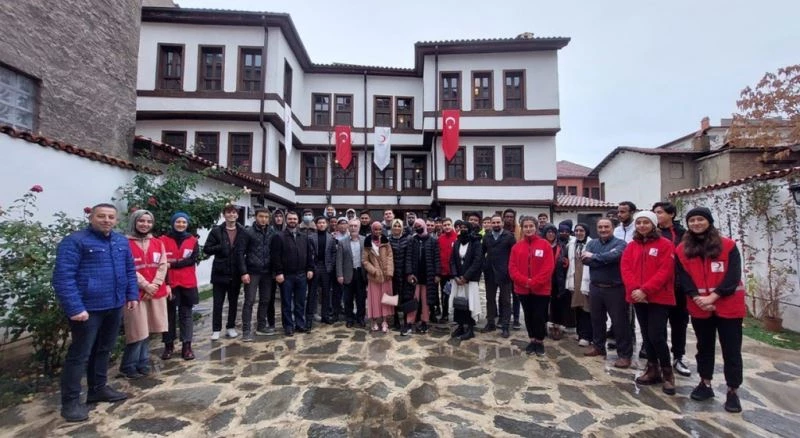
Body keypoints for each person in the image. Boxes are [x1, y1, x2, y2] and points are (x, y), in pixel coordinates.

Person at [53, 203, 138, 422]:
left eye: (111, 217)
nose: (106, 220)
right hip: (87, 309)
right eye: (101, 216)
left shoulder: (121, 241)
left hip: (114, 305)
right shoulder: (75, 241)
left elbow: (129, 270)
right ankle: (70, 403)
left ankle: (98, 389)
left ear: (116, 220)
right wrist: (75, 307)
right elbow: (63, 277)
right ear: (91, 218)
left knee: (104, 349)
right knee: (79, 355)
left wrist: (132, 295)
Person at [676, 207, 746, 413]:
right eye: (692, 220)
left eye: (700, 219)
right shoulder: (682, 249)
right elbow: (683, 277)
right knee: (704, 347)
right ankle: (705, 383)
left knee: (731, 350)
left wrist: (713, 297)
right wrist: (697, 298)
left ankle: (732, 390)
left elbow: (733, 276)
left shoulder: (728, 245)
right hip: (699, 306)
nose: (696, 223)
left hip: (728, 305)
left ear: (709, 221)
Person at [621, 211, 677, 395]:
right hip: (638, 297)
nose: (642, 226)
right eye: (639, 223)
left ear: (653, 224)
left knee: (656, 335)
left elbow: (665, 271)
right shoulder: (631, 246)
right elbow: (626, 268)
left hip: (658, 297)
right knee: (646, 335)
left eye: (646, 222)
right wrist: (635, 290)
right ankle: (652, 369)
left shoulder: (665, 245)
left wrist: (645, 290)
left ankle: (667, 373)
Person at [120, 209, 168, 379]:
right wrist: (145, 285)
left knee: (149, 329)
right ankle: (128, 365)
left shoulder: (157, 243)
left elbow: (163, 265)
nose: (145, 224)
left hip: (155, 291)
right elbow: (128, 267)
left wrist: (155, 284)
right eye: (141, 221)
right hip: (134, 292)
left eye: (149, 221)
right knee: (137, 330)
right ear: (134, 221)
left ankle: (143, 361)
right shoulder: (125, 243)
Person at [582, 218, 632, 368]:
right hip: (595, 287)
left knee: (620, 323)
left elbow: (615, 256)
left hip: (615, 289)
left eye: (606, 227)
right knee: (597, 319)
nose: (603, 229)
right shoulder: (592, 243)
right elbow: (585, 260)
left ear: (613, 228)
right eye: (600, 227)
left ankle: (624, 355)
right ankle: (598, 347)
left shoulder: (620, 244)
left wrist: (594, 257)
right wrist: (604, 258)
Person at [653, 201, 691, 377]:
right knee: (657, 324)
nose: (657, 215)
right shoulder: (652, 233)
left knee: (679, 323)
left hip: (678, 286)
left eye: (660, 212)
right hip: (658, 287)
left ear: (671, 214)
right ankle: (658, 357)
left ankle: (678, 356)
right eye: (655, 212)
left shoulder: (683, 234)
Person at [509, 216, 556, 356]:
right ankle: (532, 339)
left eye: (531, 226)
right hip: (522, 289)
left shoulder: (545, 245)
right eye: (526, 226)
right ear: (522, 228)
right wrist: (525, 281)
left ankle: (539, 341)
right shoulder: (516, 247)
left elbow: (548, 267)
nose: (528, 229)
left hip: (541, 289)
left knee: (539, 315)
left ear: (536, 227)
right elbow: (512, 268)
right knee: (528, 315)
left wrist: (534, 282)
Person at [203, 205, 246, 340]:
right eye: (228, 212)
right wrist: (221, 247)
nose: (231, 215)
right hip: (220, 272)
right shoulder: (216, 231)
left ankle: (230, 327)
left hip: (235, 272)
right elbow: (207, 249)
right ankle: (216, 329)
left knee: (233, 303)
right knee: (218, 303)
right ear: (224, 215)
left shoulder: (242, 231)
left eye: (234, 212)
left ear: (237, 215)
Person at [161, 212, 199, 360]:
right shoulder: (163, 240)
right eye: (178, 222)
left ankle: (187, 346)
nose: (181, 224)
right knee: (168, 315)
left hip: (187, 282)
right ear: (173, 223)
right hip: (169, 282)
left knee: (186, 314)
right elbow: (162, 262)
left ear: (187, 224)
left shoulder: (192, 240)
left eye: (184, 222)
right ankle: (168, 345)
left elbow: (192, 259)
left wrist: (173, 264)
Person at [271, 211, 314, 336]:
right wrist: (279, 272)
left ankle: (300, 324)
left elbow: (309, 254)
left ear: (298, 220)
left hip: (301, 275)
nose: (292, 221)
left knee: (300, 302)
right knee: (286, 303)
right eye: (290, 219)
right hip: (286, 275)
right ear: (286, 220)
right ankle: (288, 326)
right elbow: (275, 256)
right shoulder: (279, 236)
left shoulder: (304, 237)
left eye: (294, 219)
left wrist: (310, 268)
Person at [237, 207, 276, 341]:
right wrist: (244, 272)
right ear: (255, 217)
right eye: (261, 216)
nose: (263, 219)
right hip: (252, 271)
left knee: (265, 300)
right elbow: (240, 253)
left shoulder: (272, 232)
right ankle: (246, 330)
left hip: (267, 272)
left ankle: (261, 326)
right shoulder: (247, 232)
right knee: (249, 300)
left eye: (266, 217)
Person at [482, 214, 516, 338]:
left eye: (498, 222)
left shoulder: (509, 236)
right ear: (491, 224)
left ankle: (505, 326)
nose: (496, 225)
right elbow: (482, 252)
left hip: (505, 273)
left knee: (506, 300)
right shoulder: (486, 236)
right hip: (490, 273)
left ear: (502, 223)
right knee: (490, 299)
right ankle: (490, 323)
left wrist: (510, 270)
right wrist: (484, 265)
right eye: (494, 223)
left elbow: (514, 255)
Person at [449, 223, 484, 341]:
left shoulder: (476, 243)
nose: (463, 229)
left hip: (470, 279)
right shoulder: (457, 242)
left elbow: (477, 261)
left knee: (470, 303)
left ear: (470, 229)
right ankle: (460, 326)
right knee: (459, 303)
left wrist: (466, 277)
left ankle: (470, 329)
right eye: (461, 228)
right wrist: (455, 276)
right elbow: (452, 260)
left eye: (465, 228)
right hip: (458, 279)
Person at [405, 218, 440, 334]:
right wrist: (409, 273)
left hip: (428, 275)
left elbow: (436, 258)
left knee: (426, 301)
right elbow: (408, 257)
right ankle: (409, 322)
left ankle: (425, 322)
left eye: (419, 226)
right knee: (413, 299)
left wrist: (437, 274)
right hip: (415, 276)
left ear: (424, 226)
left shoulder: (433, 240)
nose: (417, 228)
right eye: (415, 227)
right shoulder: (412, 240)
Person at [363, 221, 395, 332]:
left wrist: (389, 272)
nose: (377, 231)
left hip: (386, 275)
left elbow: (390, 256)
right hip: (374, 276)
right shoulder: (367, 242)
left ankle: (385, 321)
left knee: (386, 298)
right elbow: (365, 260)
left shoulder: (386, 241)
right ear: (372, 230)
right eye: (375, 229)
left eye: (379, 229)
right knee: (374, 299)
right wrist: (374, 270)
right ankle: (374, 320)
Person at [337, 219, 367, 328]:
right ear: (348, 227)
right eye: (351, 226)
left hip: (361, 273)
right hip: (347, 273)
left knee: (361, 298)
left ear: (359, 227)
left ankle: (360, 318)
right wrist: (339, 275)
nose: (353, 228)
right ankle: (349, 319)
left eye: (355, 226)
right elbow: (339, 260)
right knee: (348, 299)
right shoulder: (342, 242)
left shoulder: (365, 240)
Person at [542, 223, 569, 340]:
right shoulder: (540, 245)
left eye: (553, 232)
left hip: (558, 279)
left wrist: (565, 263)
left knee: (557, 304)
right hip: (543, 279)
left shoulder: (561, 246)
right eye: (548, 232)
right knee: (542, 304)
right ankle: (542, 326)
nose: (551, 234)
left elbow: (566, 260)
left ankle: (556, 327)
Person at [308, 216, 337, 327]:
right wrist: (311, 266)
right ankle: (309, 318)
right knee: (312, 293)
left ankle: (325, 316)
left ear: (327, 224)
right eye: (319, 223)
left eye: (323, 223)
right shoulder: (310, 237)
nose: (321, 224)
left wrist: (331, 264)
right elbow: (308, 253)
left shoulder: (331, 238)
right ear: (316, 225)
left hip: (326, 267)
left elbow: (334, 252)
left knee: (326, 293)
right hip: (315, 266)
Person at [566, 223, 592, 346]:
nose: (578, 233)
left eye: (581, 230)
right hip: (575, 279)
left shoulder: (592, 244)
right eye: (576, 231)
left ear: (586, 232)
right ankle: (580, 332)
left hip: (587, 279)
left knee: (587, 308)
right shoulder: (571, 244)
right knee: (578, 307)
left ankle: (587, 336)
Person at [388, 218, 410, 331]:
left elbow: (410, 256)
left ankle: (406, 319)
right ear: (392, 227)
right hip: (393, 272)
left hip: (405, 272)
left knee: (406, 296)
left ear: (402, 228)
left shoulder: (407, 240)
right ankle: (396, 318)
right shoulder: (388, 240)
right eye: (395, 226)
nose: (397, 228)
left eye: (399, 226)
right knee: (393, 295)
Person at [502, 208, 522, 328]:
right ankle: (503, 317)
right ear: (503, 218)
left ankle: (516, 319)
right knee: (504, 295)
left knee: (516, 294)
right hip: (503, 266)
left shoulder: (519, 230)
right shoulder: (500, 230)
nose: (509, 219)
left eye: (511, 217)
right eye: (507, 216)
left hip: (516, 266)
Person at [436, 217, 457, 323]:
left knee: (456, 294)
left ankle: (458, 315)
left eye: (448, 224)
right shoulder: (440, 239)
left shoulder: (457, 238)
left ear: (452, 225)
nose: (447, 227)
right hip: (444, 272)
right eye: (445, 225)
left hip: (455, 273)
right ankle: (445, 314)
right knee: (445, 294)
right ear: (442, 227)